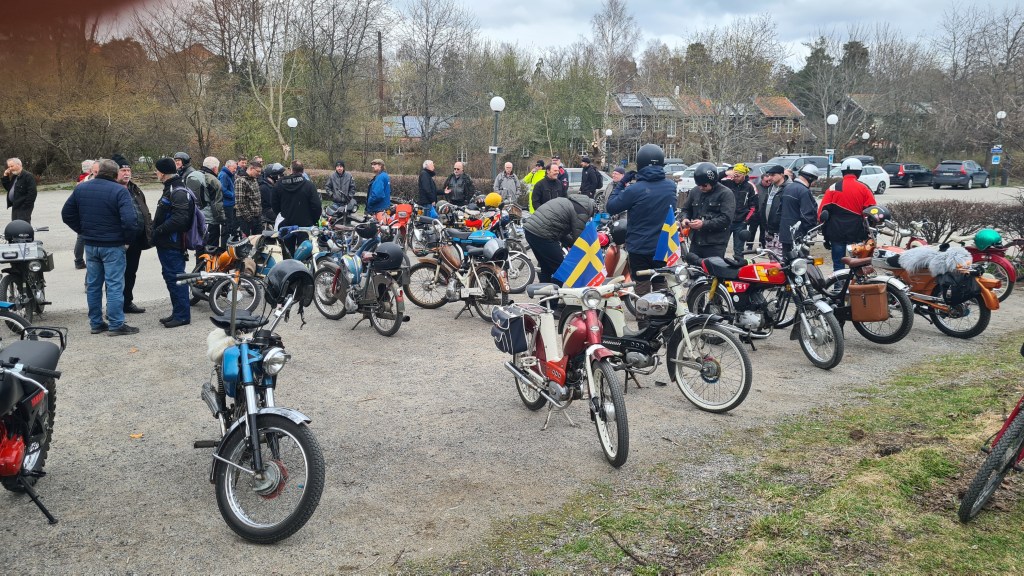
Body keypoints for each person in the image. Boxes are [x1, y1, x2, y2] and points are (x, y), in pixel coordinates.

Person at [60, 159, 139, 336]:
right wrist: (127, 240)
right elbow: (130, 220)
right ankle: (116, 324)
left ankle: (96, 323)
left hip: (91, 244)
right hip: (113, 245)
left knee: (94, 286)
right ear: (115, 174)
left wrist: (83, 231)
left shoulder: (81, 188)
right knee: (114, 284)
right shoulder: (120, 190)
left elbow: (66, 214)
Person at [605, 144, 678, 291]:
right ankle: (663, 305)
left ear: (640, 164)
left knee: (642, 285)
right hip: (663, 245)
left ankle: (644, 306)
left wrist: (621, 183)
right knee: (660, 281)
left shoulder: (635, 190)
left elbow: (611, 206)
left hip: (640, 246)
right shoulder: (671, 186)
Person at [151, 157, 193, 328]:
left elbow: (180, 219)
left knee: (177, 278)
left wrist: (158, 231)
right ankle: (177, 312)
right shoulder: (171, 187)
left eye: (157, 171)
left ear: (162, 173)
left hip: (172, 244)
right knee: (170, 277)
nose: (156, 173)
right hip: (167, 243)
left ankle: (182, 316)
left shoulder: (177, 190)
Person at [523, 193, 597, 285]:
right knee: (561, 269)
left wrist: (570, 244)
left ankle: (544, 292)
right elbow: (579, 239)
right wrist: (589, 251)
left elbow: (560, 232)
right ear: (591, 211)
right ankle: (558, 292)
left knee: (546, 267)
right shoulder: (582, 211)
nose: (588, 219)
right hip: (543, 234)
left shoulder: (570, 202)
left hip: (531, 230)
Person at [818, 158, 877, 271]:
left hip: (836, 232)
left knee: (838, 263)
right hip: (857, 232)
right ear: (859, 172)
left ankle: (839, 281)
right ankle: (856, 281)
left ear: (842, 171)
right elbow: (872, 211)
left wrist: (825, 233)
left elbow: (821, 213)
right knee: (858, 264)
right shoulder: (864, 188)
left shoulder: (833, 188)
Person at [116, 162, 153, 315]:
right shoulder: (113, 189)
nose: (126, 173)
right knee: (116, 275)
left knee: (131, 272)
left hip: (136, 239)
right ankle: (114, 307)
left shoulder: (134, 188)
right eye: (123, 170)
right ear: (115, 172)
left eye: (128, 170)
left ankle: (127, 302)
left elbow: (144, 211)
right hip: (118, 240)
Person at [679, 162, 735, 259]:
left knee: (712, 268)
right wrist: (685, 219)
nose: (701, 188)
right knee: (692, 267)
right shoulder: (695, 191)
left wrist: (703, 224)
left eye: (704, 185)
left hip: (715, 243)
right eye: (698, 185)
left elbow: (726, 219)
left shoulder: (726, 194)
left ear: (713, 181)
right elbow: (686, 209)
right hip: (696, 241)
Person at [273, 160, 322, 255]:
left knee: (287, 253)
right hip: (305, 224)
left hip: (286, 223)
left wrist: (283, 213)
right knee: (304, 253)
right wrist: (313, 220)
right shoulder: (309, 185)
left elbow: (274, 203)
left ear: (291, 170)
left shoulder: (279, 184)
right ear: (303, 171)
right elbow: (316, 205)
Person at [778, 164, 821, 257]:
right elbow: (807, 215)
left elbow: (779, 211)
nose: (814, 183)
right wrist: (812, 231)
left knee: (786, 261)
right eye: (814, 180)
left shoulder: (787, 188)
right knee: (800, 263)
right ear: (810, 178)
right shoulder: (804, 191)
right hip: (799, 236)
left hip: (785, 234)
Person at [721, 163, 758, 260]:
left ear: (744, 175)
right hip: (726, 221)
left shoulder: (750, 186)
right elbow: (713, 181)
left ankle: (738, 266)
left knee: (739, 249)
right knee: (720, 246)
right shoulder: (726, 183)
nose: (736, 177)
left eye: (738, 175)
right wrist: (725, 173)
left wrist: (746, 220)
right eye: (735, 175)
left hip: (741, 223)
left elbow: (754, 206)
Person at [73, 160, 101, 269]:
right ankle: (80, 260)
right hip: (87, 212)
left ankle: (78, 259)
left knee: (80, 237)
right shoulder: (88, 180)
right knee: (82, 237)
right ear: (91, 169)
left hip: (81, 211)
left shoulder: (80, 179)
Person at [758, 164, 787, 252]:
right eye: (769, 175)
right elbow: (765, 205)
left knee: (780, 256)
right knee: (771, 255)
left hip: (781, 230)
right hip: (768, 229)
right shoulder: (770, 188)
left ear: (781, 175)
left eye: (773, 175)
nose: (770, 177)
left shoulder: (788, 188)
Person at [199, 156, 227, 248]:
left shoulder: (196, 176)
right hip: (210, 220)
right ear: (215, 168)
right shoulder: (213, 180)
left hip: (197, 217)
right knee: (211, 247)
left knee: (200, 245)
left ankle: (199, 257)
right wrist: (222, 219)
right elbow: (216, 203)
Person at [3, 158, 38, 223]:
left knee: (23, 225)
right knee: (15, 225)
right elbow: (9, 188)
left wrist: (25, 206)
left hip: (24, 207)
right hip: (15, 206)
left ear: (19, 165)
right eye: (9, 167)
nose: (10, 168)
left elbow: (32, 193)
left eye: (12, 166)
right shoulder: (14, 176)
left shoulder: (28, 176)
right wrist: (5, 176)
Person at [235, 160, 263, 236]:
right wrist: (249, 218)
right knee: (246, 241)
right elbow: (239, 203)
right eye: (257, 171)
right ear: (251, 169)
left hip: (257, 216)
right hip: (245, 218)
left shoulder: (254, 179)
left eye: (260, 172)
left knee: (258, 239)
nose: (259, 174)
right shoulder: (241, 180)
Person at [748, 169, 775, 248]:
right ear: (762, 180)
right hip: (755, 214)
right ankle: (749, 245)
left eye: (770, 181)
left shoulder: (771, 189)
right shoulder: (756, 188)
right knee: (752, 231)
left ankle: (762, 245)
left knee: (763, 231)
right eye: (766, 181)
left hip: (765, 214)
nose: (768, 183)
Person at [260, 162, 284, 229]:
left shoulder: (272, 186)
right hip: (267, 211)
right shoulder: (264, 187)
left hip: (272, 209)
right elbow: (272, 202)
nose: (280, 177)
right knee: (283, 217)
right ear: (272, 175)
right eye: (279, 175)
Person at [218, 159, 238, 240]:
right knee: (227, 227)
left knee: (231, 225)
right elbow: (223, 189)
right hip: (226, 204)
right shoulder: (224, 175)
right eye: (234, 168)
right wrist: (233, 195)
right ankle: (224, 245)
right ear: (229, 166)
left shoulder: (228, 175)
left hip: (230, 203)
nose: (235, 170)